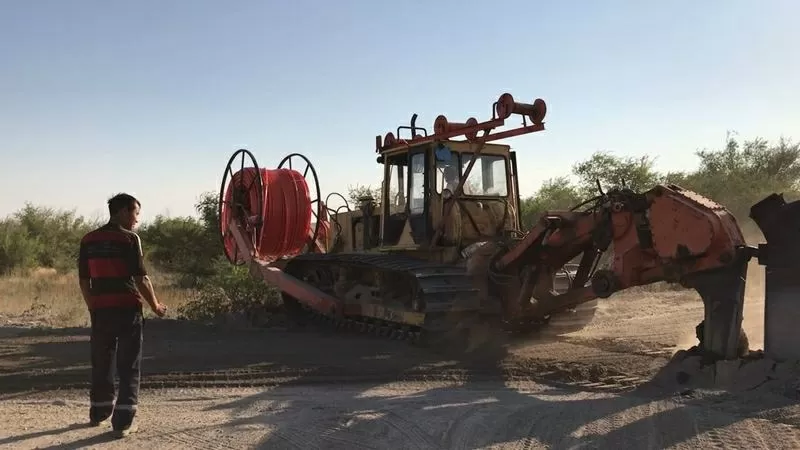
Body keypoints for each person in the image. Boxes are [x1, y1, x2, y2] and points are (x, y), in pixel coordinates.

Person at [77, 193, 167, 438]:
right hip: (127, 309)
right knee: (129, 364)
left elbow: (84, 280)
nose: (137, 219)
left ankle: (99, 412)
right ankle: (123, 421)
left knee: (101, 361)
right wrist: (156, 305)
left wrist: (92, 306)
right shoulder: (129, 239)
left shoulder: (88, 239)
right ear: (123, 212)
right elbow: (141, 278)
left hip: (100, 310)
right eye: (136, 213)